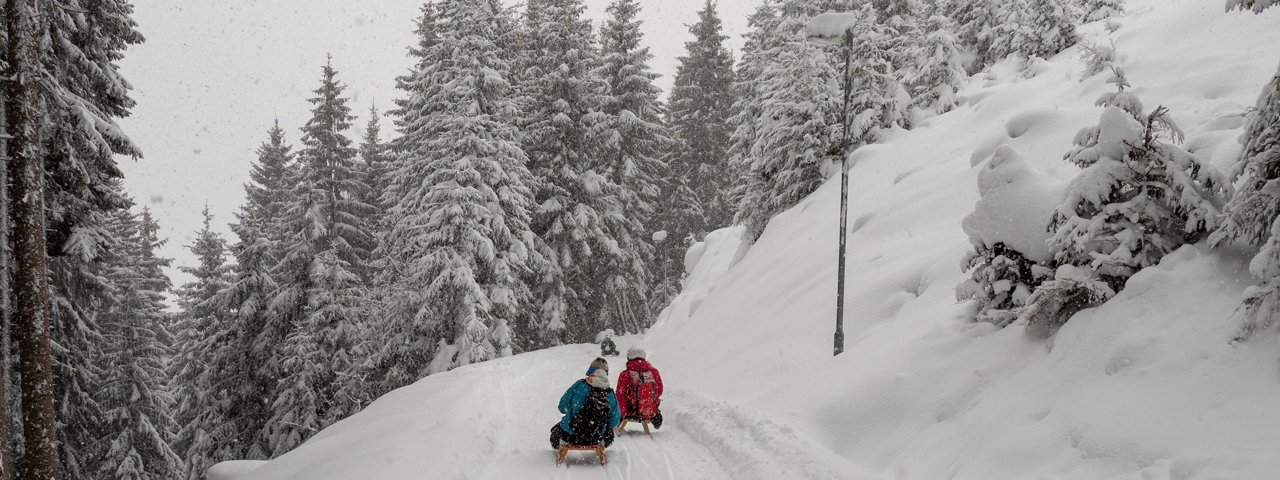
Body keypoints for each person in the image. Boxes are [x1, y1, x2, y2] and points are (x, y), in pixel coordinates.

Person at [550, 358, 621, 449]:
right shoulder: (609, 392)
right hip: (597, 438)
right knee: (609, 432)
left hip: (570, 436)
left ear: (591, 371)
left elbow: (561, 407)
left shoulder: (580, 384)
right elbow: (614, 420)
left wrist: (573, 411)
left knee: (555, 431)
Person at [616, 347, 663, 429]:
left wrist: (621, 414)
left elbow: (620, 395)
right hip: (649, 411)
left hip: (631, 412)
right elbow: (659, 390)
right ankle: (656, 416)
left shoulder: (625, 374)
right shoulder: (654, 372)